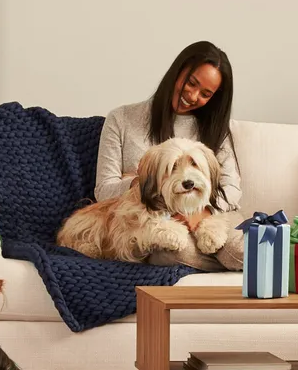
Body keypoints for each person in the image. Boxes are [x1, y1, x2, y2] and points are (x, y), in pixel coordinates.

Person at [95, 41, 242, 233]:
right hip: (151, 221)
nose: (193, 96)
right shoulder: (121, 119)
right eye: (191, 83)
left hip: (207, 217)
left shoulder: (215, 131)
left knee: (237, 248)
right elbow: (103, 191)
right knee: (171, 246)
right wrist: (142, 183)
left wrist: (203, 212)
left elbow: (231, 188)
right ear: (177, 71)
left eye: (205, 94)